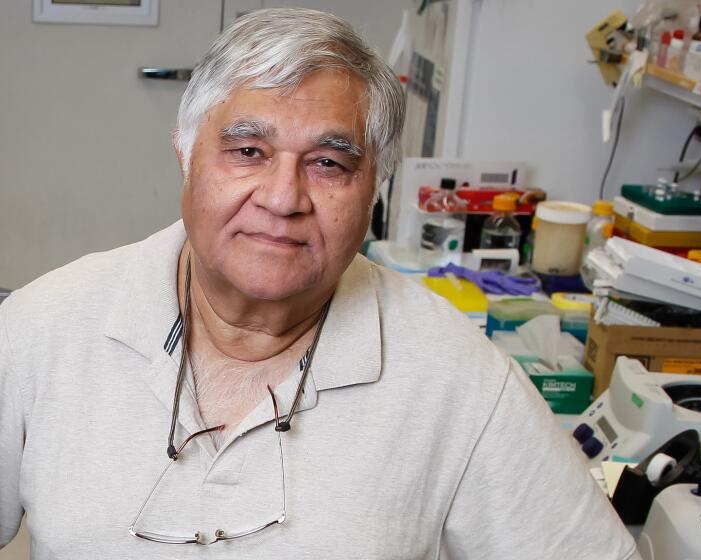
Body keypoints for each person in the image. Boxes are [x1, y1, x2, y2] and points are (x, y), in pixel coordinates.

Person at [0, 8, 639, 559]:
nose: (283, 198)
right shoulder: (41, 329)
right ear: (186, 152)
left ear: (375, 186)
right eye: (247, 151)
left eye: (329, 164)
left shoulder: (460, 380)